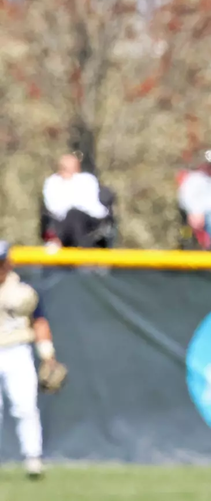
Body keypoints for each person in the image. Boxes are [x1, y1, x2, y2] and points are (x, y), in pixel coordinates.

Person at [0, 241, 60, 479]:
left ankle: (33, 459)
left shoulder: (24, 290)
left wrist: (48, 355)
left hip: (17, 349)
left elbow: (39, 321)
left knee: (25, 406)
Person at [41, 153, 111, 248]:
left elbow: (89, 204)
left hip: (88, 218)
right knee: (69, 216)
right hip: (61, 220)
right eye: (65, 168)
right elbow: (53, 206)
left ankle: (81, 248)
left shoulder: (87, 180)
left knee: (74, 214)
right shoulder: (52, 183)